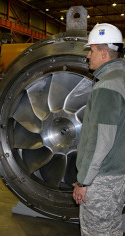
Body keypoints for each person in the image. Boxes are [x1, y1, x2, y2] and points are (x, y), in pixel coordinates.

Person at [73, 23, 125, 235]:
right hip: (120, 177)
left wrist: (83, 181)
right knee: (112, 230)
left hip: (101, 181)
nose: (88, 56)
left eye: (91, 50)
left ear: (104, 53)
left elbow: (100, 142)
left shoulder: (106, 87)